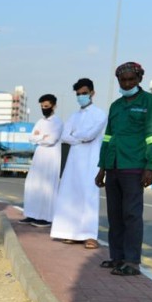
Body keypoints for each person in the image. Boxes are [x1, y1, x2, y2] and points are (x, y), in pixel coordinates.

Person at [95, 61, 152, 276]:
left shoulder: (151, 102)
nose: (126, 84)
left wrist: (151, 167)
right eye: (122, 80)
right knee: (114, 215)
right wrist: (102, 167)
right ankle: (117, 257)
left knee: (131, 215)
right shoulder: (116, 106)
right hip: (113, 165)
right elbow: (108, 137)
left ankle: (132, 262)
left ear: (140, 79)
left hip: (134, 166)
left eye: (131, 80)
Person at [50, 79, 108, 249]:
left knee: (89, 195)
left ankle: (89, 235)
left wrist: (75, 136)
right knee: (71, 194)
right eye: (78, 94)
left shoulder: (100, 114)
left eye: (84, 93)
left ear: (92, 93)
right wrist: (79, 137)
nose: (81, 96)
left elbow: (91, 135)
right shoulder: (74, 116)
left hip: (91, 160)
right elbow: (64, 136)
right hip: (74, 160)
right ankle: (72, 233)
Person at [20, 94, 64, 227]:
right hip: (39, 157)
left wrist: (39, 137)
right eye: (42, 106)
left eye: (46, 106)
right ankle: (32, 214)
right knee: (33, 185)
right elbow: (31, 138)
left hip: (50, 158)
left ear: (54, 106)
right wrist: (42, 137)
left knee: (47, 187)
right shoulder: (40, 122)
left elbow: (51, 140)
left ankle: (46, 218)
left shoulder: (57, 122)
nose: (44, 108)